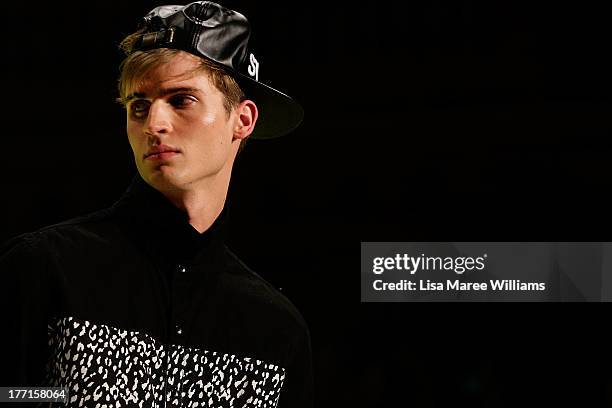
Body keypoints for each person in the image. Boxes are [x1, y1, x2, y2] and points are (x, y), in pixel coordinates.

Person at [0, 2, 312, 407]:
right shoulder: (42, 269)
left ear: (243, 119)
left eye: (181, 100)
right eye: (139, 106)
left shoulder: (277, 331)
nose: (154, 125)